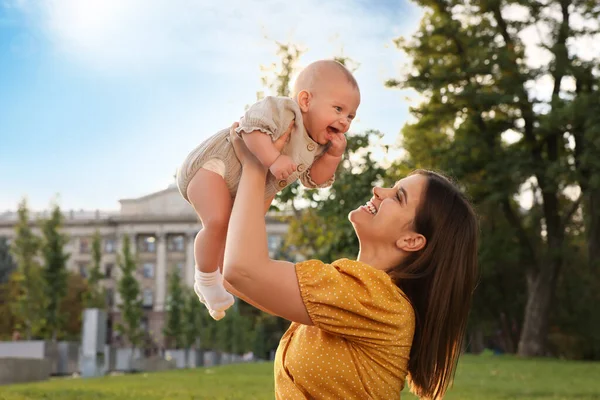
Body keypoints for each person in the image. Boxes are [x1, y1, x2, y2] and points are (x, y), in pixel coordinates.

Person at [223, 123, 479, 399]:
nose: (380, 190)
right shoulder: (351, 292)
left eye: (398, 197)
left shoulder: (378, 300)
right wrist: (271, 173)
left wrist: (256, 167)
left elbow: (242, 271)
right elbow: (232, 274)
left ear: (411, 241)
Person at [176, 60, 360, 320]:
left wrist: (333, 157)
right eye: (338, 109)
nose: (344, 121)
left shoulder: (318, 145)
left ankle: (217, 279)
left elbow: (315, 180)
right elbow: (249, 130)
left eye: (350, 115)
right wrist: (273, 159)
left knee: (236, 242)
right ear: (305, 101)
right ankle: (205, 278)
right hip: (216, 165)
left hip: (248, 187)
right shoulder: (282, 110)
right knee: (217, 221)